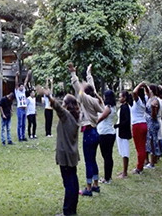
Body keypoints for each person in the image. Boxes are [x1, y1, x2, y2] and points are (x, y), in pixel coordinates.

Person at [37, 86, 80, 216]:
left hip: (65, 154)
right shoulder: (76, 116)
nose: (62, 104)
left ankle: (67, 211)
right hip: (72, 154)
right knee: (73, 180)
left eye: (64, 102)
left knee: (69, 183)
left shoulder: (67, 116)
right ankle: (72, 209)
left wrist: (48, 95)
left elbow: (56, 106)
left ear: (67, 105)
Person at [69, 63, 104, 196]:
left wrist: (73, 73)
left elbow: (77, 86)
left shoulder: (86, 99)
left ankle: (88, 189)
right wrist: (89, 74)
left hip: (88, 133)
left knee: (88, 161)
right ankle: (95, 185)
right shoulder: (95, 100)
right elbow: (92, 89)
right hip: (96, 133)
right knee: (93, 160)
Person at [96, 90, 116, 184]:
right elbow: (100, 100)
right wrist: (96, 93)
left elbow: (101, 118)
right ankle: (108, 177)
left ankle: (107, 178)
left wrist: (93, 124)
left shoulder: (108, 108)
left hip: (105, 134)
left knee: (106, 156)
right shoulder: (112, 107)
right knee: (108, 156)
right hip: (109, 133)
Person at [131, 82, 148, 175]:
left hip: (137, 125)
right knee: (143, 147)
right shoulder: (145, 99)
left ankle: (139, 168)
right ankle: (141, 165)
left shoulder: (138, 101)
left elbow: (134, 92)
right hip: (144, 124)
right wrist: (145, 86)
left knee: (139, 148)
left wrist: (141, 84)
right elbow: (148, 93)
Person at [114, 90, 132, 179]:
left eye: (120, 96)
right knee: (122, 149)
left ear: (124, 98)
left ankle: (125, 172)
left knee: (125, 151)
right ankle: (123, 170)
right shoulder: (123, 107)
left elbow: (126, 121)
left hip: (123, 131)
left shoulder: (126, 108)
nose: (119, 98)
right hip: (120, 131)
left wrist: (117, 125)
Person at [144, 84, 161, 169]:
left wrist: (153, 108)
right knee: (148, 141)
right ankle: (149, 161)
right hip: (148, 123)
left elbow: (154, 115)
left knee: (152, 141)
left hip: (152, 123)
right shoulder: (149, 99)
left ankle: (152, 162)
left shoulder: (154, 100)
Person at [15, 70, 31, 142]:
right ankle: (19, 137)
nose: (22, 87)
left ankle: (23, 136)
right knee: (20, 124)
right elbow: (16, 83)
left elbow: (25, 82)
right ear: (18, 87)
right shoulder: (17, 92)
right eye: (20, 86)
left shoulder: (23, 91)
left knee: (24, 124)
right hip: (20, 109)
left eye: (22, 86)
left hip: (24, 109)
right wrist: (16, 76)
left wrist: (27, 74)